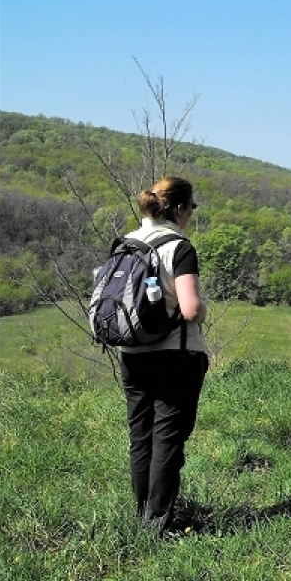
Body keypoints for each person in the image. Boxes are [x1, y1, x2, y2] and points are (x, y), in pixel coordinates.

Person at [119, 176, 209, 532]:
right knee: (168, 437)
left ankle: (144, 514)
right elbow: (190, 309)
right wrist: (202, 311)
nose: (191, 214)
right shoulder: (179, 247)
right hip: (175, 354)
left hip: (132, 350)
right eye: (192, 207)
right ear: (179, 208)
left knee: (141, 437)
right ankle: (159, 524)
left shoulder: (125, 243)